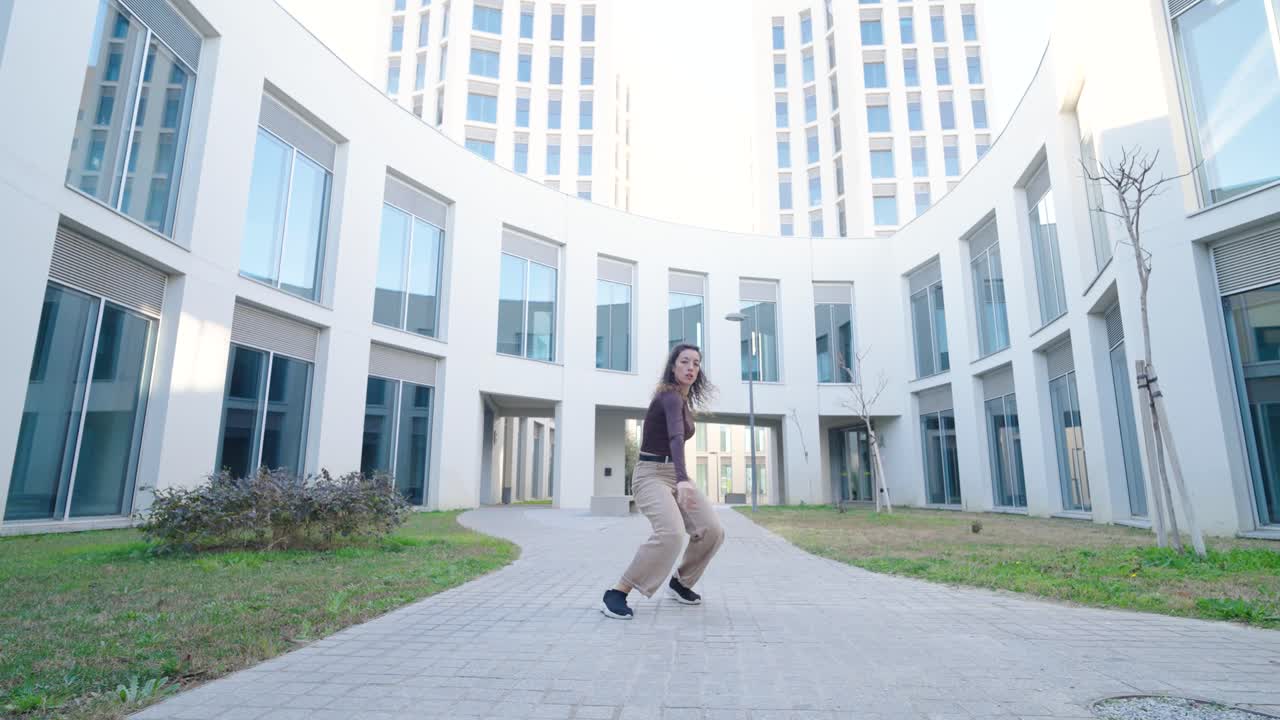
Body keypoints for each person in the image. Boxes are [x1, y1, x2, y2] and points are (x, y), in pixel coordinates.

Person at [601, 343, 726, 620]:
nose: (691, 367)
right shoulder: (669, 397)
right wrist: (683, 480)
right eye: (684, 361)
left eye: (696, 363)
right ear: (673, 366)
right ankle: (617, 593)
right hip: (650, 474)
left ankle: (681, 583)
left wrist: (680, 479)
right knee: (670, 534)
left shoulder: (683, 400)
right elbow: (675, 438)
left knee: (712, 530)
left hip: (674, 475)